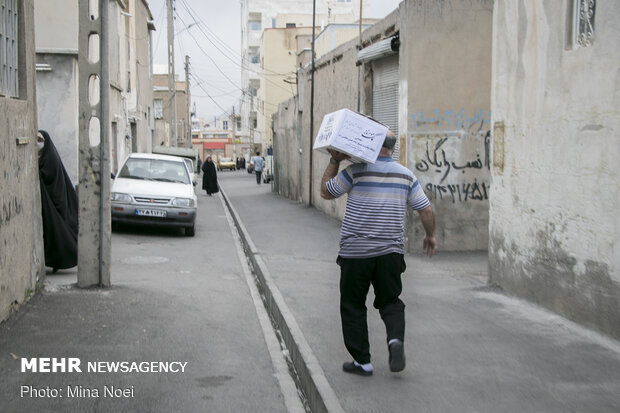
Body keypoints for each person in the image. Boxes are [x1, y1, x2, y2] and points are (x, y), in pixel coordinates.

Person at [320, 131, 436, 377]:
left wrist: (335, 160)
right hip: (390, 253)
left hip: (356, 254)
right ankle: (395, 341)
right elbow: (425, 210)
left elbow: (326, 192)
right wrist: (430, 236)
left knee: (352, 305)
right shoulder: (406, 175)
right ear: (392, 149)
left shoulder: (355, 172)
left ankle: (363, 362)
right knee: (391, 301)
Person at [38, 130, 79, 273]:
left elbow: (49, 176)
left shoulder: (50, 158)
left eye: (40, 141)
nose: (38, 145)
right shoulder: (47, 155)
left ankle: (61, 259)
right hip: (52, 200)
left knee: (59, 232)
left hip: (55, 200)